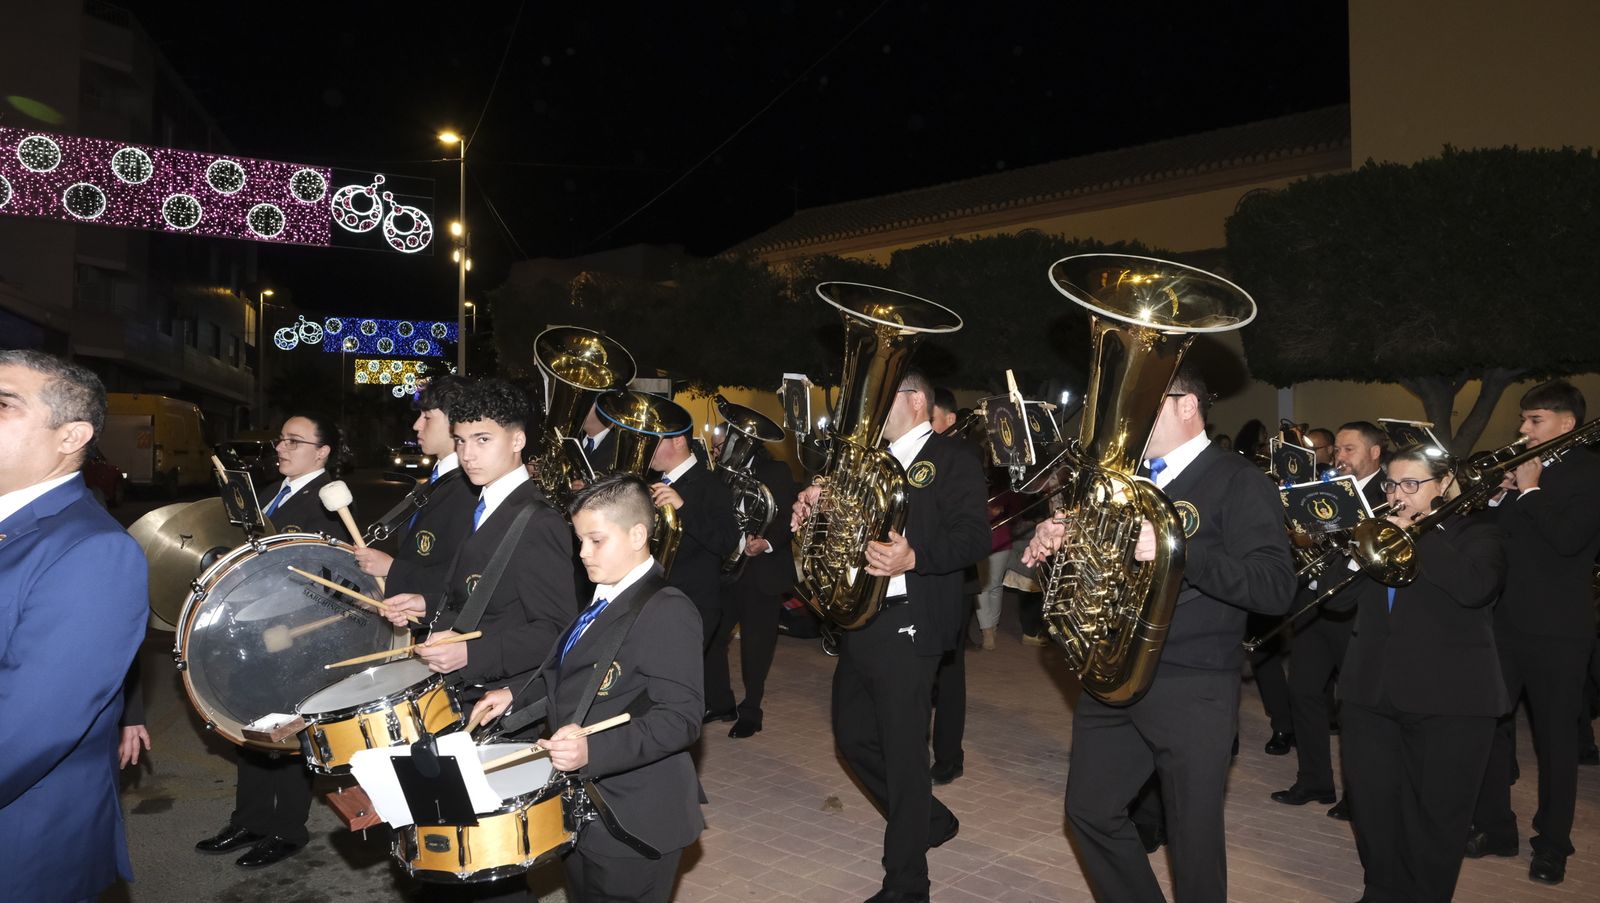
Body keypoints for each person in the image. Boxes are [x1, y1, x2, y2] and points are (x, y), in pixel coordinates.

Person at [1023, 363, 1294, 903]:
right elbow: (1093, 575)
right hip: (1115, 672)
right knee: (1089, 812)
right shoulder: (1124, 483)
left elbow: (1275, 588)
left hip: (1193, 683)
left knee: (1192, 839)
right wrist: (1057, 547)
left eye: (1144, 402)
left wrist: (1179, 551)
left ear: (1186, 406)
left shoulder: (1239, 481)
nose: (1127, 420)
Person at [791, 368, 989, 903]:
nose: (873, 412)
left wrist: (915, 555)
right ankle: (931, 818)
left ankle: (908, 884)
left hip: (911, 619)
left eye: (884, 399)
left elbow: (974, 537)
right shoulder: (862, 465)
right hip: (862, 618)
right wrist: (815, 510)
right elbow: (844, 530)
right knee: (852, 738)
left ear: (917, 402)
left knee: (904, 755)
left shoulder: (953, 459)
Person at [471, 474, 704, 903]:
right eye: (580, 540)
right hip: (587, 811)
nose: (582, 554)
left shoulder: (667, 610)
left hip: (634, 820)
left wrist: (592, 752)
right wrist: (515, 697)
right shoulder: (605, 596)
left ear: (637, 535)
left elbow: (680, 719)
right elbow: (570, 677)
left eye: (596, 540)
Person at [0, 350, 148, 903]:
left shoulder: (94, 551)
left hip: (21, 851)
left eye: (4, 404)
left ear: (71, 437)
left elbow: (22, 731)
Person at [1340, 445, 1508, 902]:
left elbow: (1475, 589)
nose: (1398, 494)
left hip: (1451, 699)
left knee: (1437, 816)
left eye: (1411, 484)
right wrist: (1355, 553)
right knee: (1373, 808)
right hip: (1369, 693)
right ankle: (1380, 890)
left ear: (1445, 485)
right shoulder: (1376, 535)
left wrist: (1420, 534)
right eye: (1392, 484)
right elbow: (1336, 603)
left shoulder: (1479, 534)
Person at [194, 413, 351, 869]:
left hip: (295, 637)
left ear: (322, 453)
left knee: (285, 735)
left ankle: (287, 830)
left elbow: (325, 579)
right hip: (253, 630)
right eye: (281, 439)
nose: (281, 447)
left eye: (295, 441)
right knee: (251, 727)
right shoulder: (269, 495)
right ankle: (251, 819)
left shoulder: (327, 504)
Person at [1469, 380, 1600, 885]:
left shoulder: (1592, 472)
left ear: (1567, 424)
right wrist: (1502, 497)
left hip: (1559, 630)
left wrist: (1529, 489)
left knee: (1555, 740)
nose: (1522, 429)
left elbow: (1567, 542)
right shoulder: (1524, 473)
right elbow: (1496, 540)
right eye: (1523, 420)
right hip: (1504, 621)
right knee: (1489, 727)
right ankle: (1496, 827)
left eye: (1534, 420)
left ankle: (1553, 843)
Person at [380, 378, 576, 697]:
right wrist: (426, 605)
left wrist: (471, 653)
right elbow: (480, 595)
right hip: (458, 687)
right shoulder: (481, 504)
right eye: (460, 441)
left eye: (482, 439)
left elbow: (555, 630)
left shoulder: (538, 521)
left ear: (517, 441)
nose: (467, 455)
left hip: (491, 694)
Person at [1273, 420, 1388, 817]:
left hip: (1354, 606)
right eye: (1337, 449)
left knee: (1353, 705)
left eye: (1349, 450)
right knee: (1303, 692)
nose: (1340, 457)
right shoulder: (1326, 488)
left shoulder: (1388, 494)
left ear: (1374, 453)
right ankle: (1314, 780)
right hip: (1315, 601)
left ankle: (1360, 794)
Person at [351, 376, 478, 611]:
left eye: (427, 417)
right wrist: (387, 589)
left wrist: (392, 569)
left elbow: (467, 577)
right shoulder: (438, 481)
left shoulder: (470, 490)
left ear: (457, 422)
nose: (416, 425)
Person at [644, 425, 741, 722]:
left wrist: (682, 507)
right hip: (657, 598)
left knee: (675, 683)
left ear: (678, 440)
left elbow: (727, 542)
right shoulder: (652, 483)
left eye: (655, 441)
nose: (647, 449)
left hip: (694, 602)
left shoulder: (711, 485)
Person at [722, 442, 800, 739]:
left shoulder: (775, 470)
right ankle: (720, 701)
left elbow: (787, 520)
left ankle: (751, 711)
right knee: (714, 636)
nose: (720, 443)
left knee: (755, 646)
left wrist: (766, 543)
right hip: (728, 570)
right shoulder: (722, 472)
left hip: (762, 571)